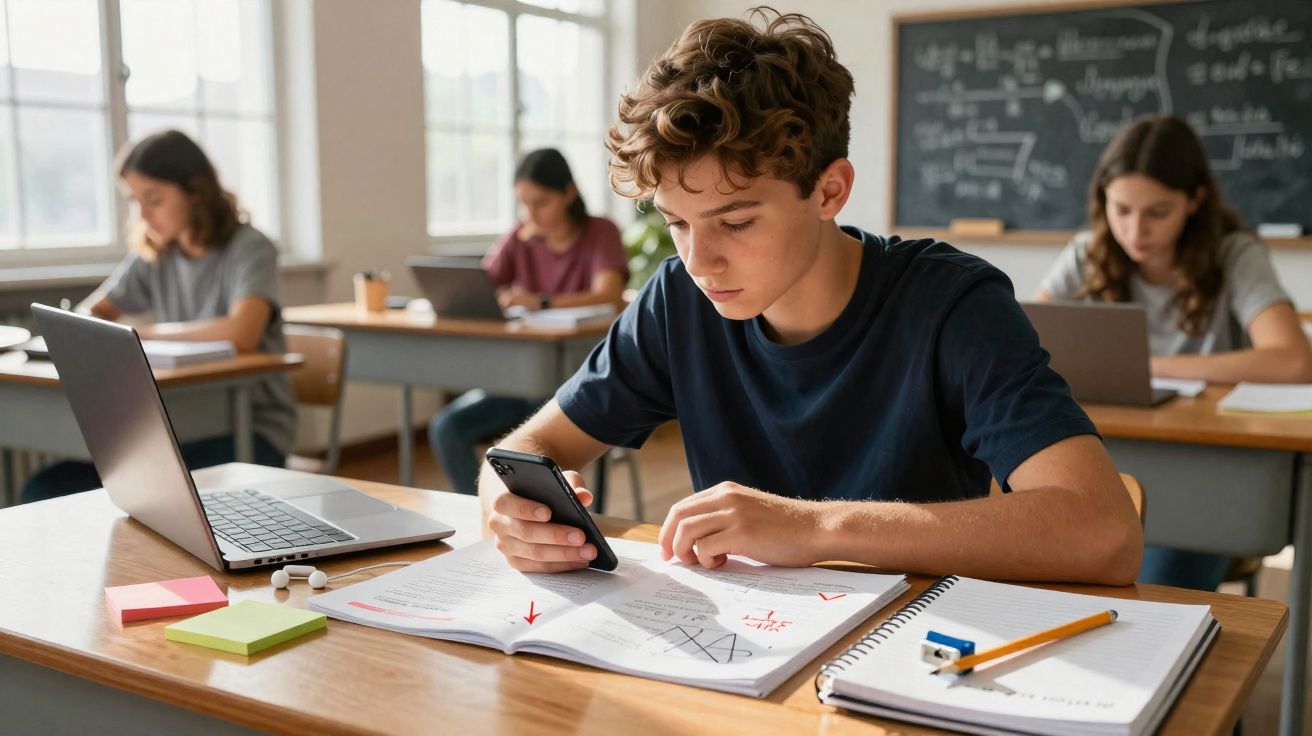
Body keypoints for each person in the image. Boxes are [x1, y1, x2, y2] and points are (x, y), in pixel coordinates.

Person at [476, 9, 1143, 583]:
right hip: (744, 653)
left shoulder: (953, 304)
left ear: (830, 191)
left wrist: (815, 528)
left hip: (914, 647)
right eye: (677, 223)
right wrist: (505, 506)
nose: (699, 262)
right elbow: (527, 452)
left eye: (737, 222)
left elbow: (1105, 531)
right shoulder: (677, 300)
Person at [1036, 114, 1312, 590]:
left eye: (1157, 212)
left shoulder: (1235, 255)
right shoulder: (1086, 253)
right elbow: (1024, 341)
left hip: (1208, 476)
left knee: (1150, 586)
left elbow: (1294, 360)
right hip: (1108, 463)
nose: (1135, 229)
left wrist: (1149, 368)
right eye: (1121, 209)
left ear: (1195, 200)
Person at [21, 130, 294, 503]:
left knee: (146, 498)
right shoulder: (156, 252)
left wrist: (140, 334)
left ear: (196, 190)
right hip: (174, 427)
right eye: (135, 202)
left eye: (154, 199)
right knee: (43, 489)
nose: (143, 214)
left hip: (249, 428)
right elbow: (89, 315)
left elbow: (242, 332)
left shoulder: (250, 248)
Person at [428, 148, 628, 495]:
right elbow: (479, 287)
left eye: (541, 203)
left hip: (577, 383)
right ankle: (482, 510)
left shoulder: (600, 232)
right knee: (447, 428)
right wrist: (506, 247)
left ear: (568, 193)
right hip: (519, 383)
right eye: (523, 203)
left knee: (536, 448)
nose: (530, 213)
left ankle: (547, 513)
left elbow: (609, 294)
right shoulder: (521, 235)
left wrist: (541, 301)